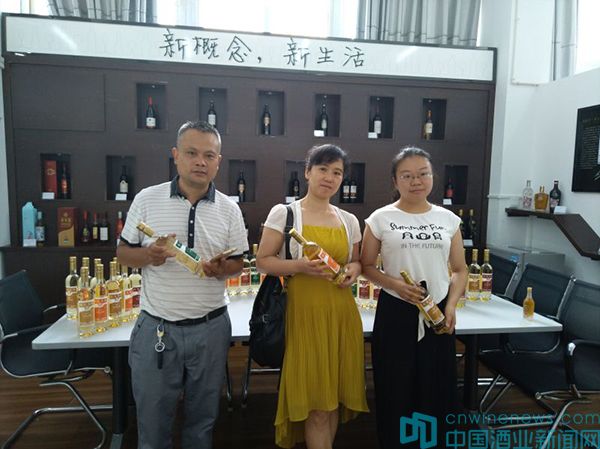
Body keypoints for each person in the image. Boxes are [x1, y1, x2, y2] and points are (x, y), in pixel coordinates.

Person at [117, 121, 248, 449]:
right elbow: (122, 253)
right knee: (152, 424)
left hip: (211, 329)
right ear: (176, 155)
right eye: (191, 153)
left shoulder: (230, 209)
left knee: (202, 422)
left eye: (209, 155)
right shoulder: (147, 199)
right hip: (157, 329)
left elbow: (239, 263)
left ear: (218, 161)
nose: (200, 162)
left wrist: (221, 269)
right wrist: (148, 256)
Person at [256, 144, 369, 449]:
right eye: (323, 169)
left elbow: (356, 262)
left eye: (337, 172)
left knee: (331, 402)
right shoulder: (285, 213)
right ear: (307, 172)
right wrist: (300, 266)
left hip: (341, 313)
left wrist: (352, 271)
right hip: (303, 313)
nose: (329, 177)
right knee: (318, 406)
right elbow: (263, 261)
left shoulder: (348, 220)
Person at [360, 147, 467, 449]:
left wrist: (451, 305)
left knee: (438, 387)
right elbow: (367, 266)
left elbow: (460, 269)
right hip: (396, 311)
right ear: (395, 180)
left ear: (433, 177)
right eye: (407, 176)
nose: (416, 181)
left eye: (423, 174)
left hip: (438, 313)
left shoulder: (448, 219)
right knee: (395, 386)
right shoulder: (380, 218)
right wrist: (395, 284)